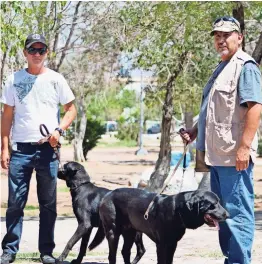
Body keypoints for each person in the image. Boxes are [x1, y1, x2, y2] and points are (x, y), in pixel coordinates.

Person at [180, 17, 262, 264]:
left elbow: (255, 108)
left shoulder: (245, 67)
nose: (221, 40)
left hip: (233, 156)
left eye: (226, 35)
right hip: (216, 156)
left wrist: (244, 148)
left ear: (240, 37)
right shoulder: (222, 67)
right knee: (222, 214)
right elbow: (213, 111)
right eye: (217, 35)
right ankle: (231, 260)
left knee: (237, 214)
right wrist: (195, 131)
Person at [1, 33, 77, 264]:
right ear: (25, 53)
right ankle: (10, 250)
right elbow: (6, 117)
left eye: (41, 50)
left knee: (48, 203)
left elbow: (71, 109)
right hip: (21, 150)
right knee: (15, 202)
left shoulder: (56, 79)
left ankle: (46, 251)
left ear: (47, 53)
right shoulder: (13, 80)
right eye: (32, 50)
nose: (36, 54)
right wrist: (4, 148)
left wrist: (59, 131)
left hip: (47, 150)